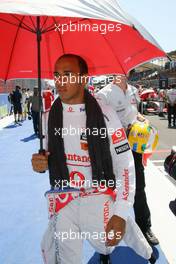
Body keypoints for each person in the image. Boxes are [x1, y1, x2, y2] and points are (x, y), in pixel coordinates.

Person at [31, 54, 153, 264]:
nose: (61, 81)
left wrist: (121, 213)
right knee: (60, 255)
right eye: (57, 75)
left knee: (107, 245)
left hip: (99, 196)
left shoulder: (106, 115)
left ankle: (141, 246)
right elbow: (48, 157)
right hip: (63, 200)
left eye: (68, 75)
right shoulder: (48, 116)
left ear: (84, 79)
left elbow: (125, 164)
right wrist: (40, 163)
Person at [97, 74, 159, 246]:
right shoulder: (103, 95)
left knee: (139, 186)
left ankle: (144, 226)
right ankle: (106, 232)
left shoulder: (132, 91)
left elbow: (135, 113)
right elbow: (100, 125)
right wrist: (122, 130)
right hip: (113, 150)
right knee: (111, 190)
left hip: (134, 146)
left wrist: (141, 118)